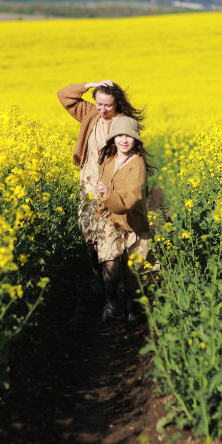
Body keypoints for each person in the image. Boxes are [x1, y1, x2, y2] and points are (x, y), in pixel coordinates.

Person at [57, 81, 144, 296]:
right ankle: (98, 270)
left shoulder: (123, 123)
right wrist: (90, 84)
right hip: (89, 181)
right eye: (99, 104)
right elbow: (64, 95)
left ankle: (118, 283)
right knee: (89, 230)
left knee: (112, 231)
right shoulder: (90, 114)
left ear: (117, 104)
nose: (102, 110)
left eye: (108, 106)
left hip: (111, 183)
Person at [96, 115, 158, 325]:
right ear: (113, 138)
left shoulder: (137, 164)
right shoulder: (109, 159)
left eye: (129, 136)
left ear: (136, 139)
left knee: (134, 272)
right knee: (109, 263)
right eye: (119, 135)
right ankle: (111, 304)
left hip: (133, 223)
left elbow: (131, 199)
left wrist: (107, 196)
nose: (124, 140)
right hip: (110, 220)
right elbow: (101, 187)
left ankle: (133, 309)